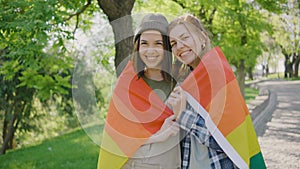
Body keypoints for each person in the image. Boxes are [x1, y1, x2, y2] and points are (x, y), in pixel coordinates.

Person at [167, 14, 266, 169]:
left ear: (202, 37)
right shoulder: (185, 82)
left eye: (185, 37)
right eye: (173, 43)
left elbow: (225, 141)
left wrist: (182, 115)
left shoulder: (217, 73)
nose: (179, 46)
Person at [98, 13, 181, 169]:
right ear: (137, 47)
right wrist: (158, 136)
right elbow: (117, 137)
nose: (151, 50)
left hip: (174, 162)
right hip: (138, 163)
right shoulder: (128, 84)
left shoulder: (179, 83)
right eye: (144, 43)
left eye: (158, 43)